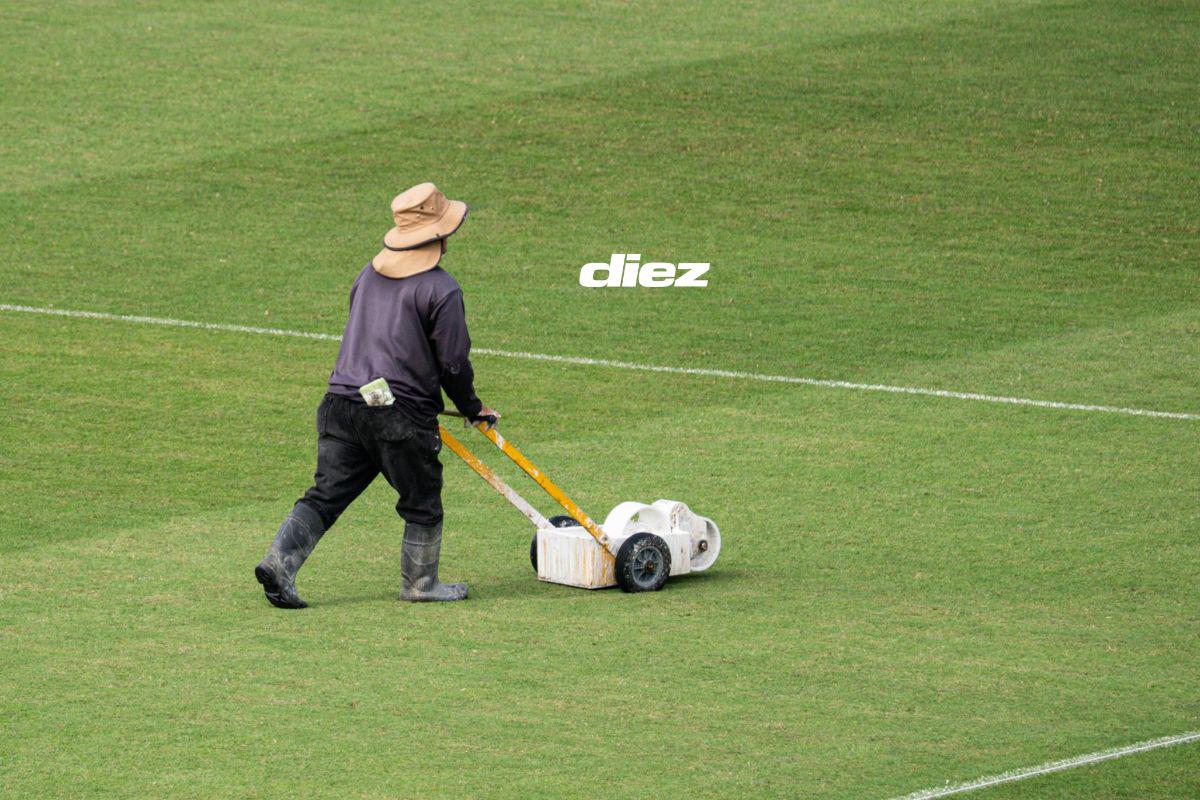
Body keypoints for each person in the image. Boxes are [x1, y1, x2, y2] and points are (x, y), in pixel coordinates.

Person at [255, 183, 498, 608]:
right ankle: (420, 585)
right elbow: (454, 363)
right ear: (440, 235)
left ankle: (280, 562)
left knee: (326, 495)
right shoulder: (442, 289)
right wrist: (472, 409)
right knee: (422, 499)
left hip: (340, 405)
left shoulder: (367, 275)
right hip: (397, 418)